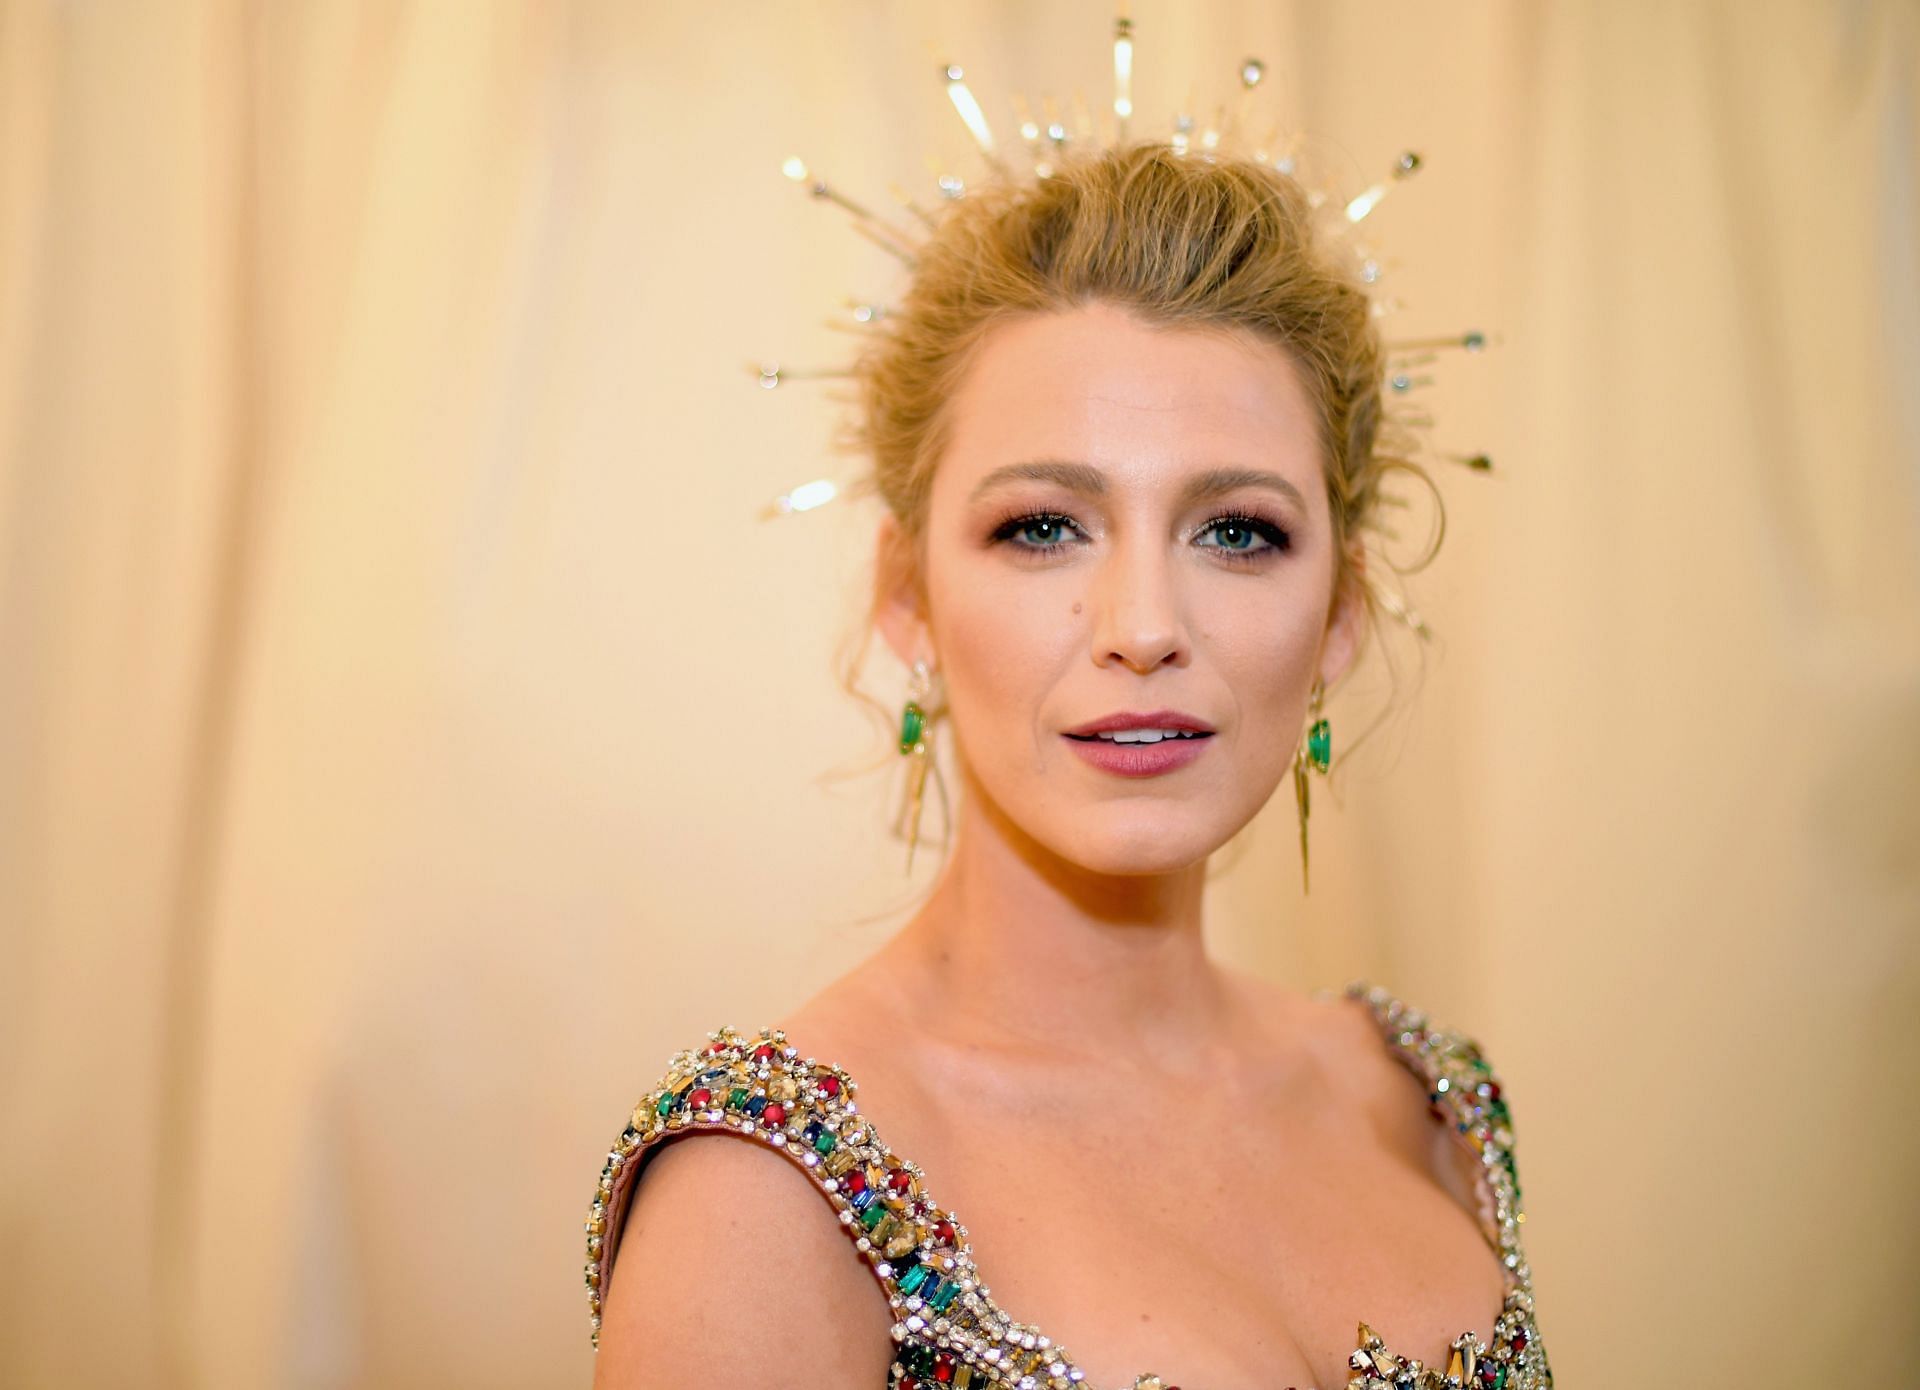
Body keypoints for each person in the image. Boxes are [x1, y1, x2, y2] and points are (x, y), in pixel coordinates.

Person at [585, 142, 1551, 1390]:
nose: (1142, 623)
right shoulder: (767, 1197)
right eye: (1042, 526)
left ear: (1341, 616)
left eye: (1239, 531)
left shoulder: (1427, 1105)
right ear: (909, 599)